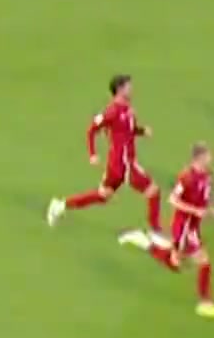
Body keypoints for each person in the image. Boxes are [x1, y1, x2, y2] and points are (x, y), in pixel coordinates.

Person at [117, 143, 214, 318]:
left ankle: (142, 240)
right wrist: (195, 210)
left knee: (176, 263)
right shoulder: (186, 177)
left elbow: (203, 197)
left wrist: (211, 210)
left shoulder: (207, 175)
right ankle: (205, 302)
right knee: (202, 260)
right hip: (184, 226)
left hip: (193, 225)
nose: (211, 158)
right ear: (199, 157)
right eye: (208, 155)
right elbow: (173, 200)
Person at [48, 74, 161, 233]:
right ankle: (155, 231)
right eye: (128, 86)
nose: (132, 89)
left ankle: (60, 205)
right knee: (153, 191)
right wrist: (92, 154)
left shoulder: (128, 109)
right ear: (120, 89)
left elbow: (127, 130)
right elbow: (91, 130)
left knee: (103, 196)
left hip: (117, 163)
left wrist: (142, 131)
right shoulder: (111, 111)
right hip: (124, 162)